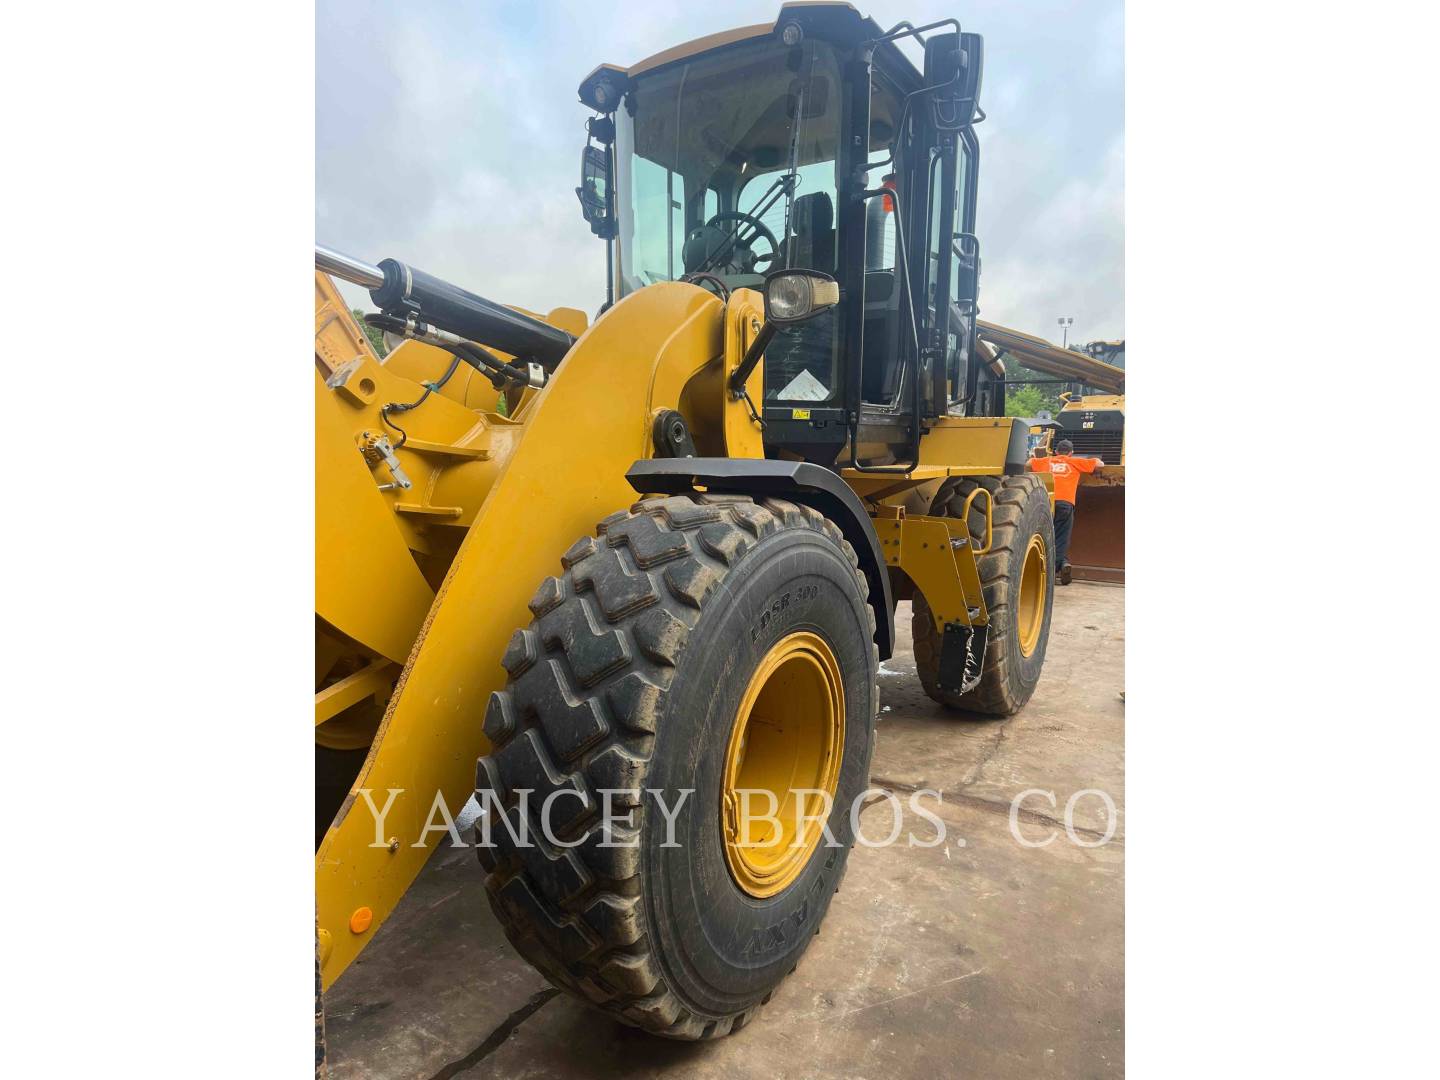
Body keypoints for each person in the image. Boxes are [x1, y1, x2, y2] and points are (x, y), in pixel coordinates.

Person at [1028, 438, 1103, 585]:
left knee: (1044, 535)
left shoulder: (1047, 461)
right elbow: (1100, 464)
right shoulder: (1075, 462)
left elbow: (1028, 464)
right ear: (1071, 452)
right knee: (1061, 538)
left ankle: (1060, 563)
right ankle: (1051, 573)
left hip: (1046, 502)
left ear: (1056, 451)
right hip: (1065, 504)